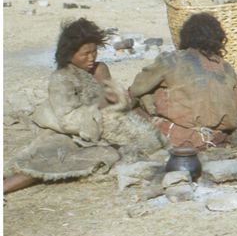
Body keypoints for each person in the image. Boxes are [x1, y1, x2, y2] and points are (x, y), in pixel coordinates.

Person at [3, 19, 163, 194]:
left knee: (136, 143)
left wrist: (119, 99)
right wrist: (100, 109)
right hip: (67, 131)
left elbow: (114, 100)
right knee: (50, 160)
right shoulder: (62, 78)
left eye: (94, 51)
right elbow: (67, 119)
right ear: (69, 54)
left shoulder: (100, 68)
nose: (91, 57)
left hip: (104, 128)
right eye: (85, 54)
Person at [129, 13, 237, 150]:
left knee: (135, 105)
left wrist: (146, 99)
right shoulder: (226, 67)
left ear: (186, 36)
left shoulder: (171, 60)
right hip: (218, 137)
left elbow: (135, 89)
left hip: (182, 137)